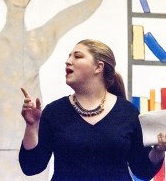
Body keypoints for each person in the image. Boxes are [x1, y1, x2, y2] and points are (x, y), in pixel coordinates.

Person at [19, 39, 166, 181]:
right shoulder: (54, 111)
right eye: (69, 56)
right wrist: (31, 126)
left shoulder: (128, 112)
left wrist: (158, 151)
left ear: (98, 67)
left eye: (77, 56)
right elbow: (31, 167)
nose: (68, 61)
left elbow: (142, 170)